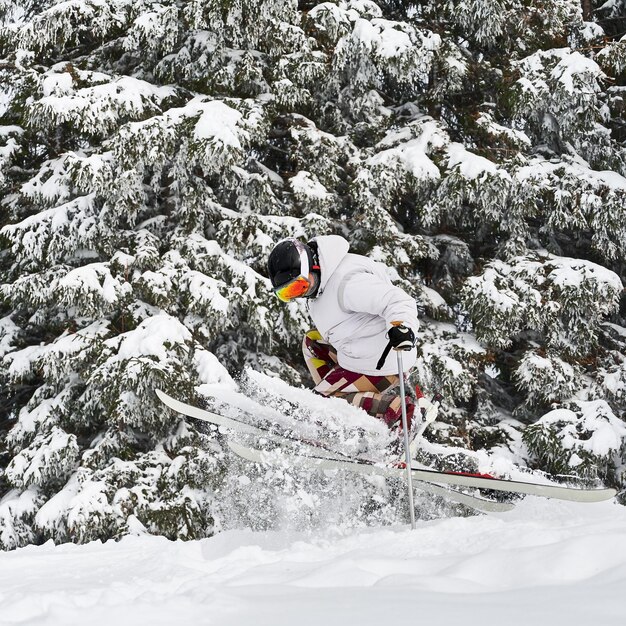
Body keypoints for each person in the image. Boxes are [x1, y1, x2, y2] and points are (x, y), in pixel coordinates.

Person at [267, 234, 428, 431]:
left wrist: (401, 326)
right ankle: (343, 415)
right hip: (360, 353)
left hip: (382, 363)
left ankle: (398, 411)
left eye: (299, 286)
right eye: (288, 293)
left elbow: (397, 300)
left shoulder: (348, 282)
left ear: (312, 265)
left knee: (322, 401)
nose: (299, 294)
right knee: (312, 343)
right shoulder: (319, 284)